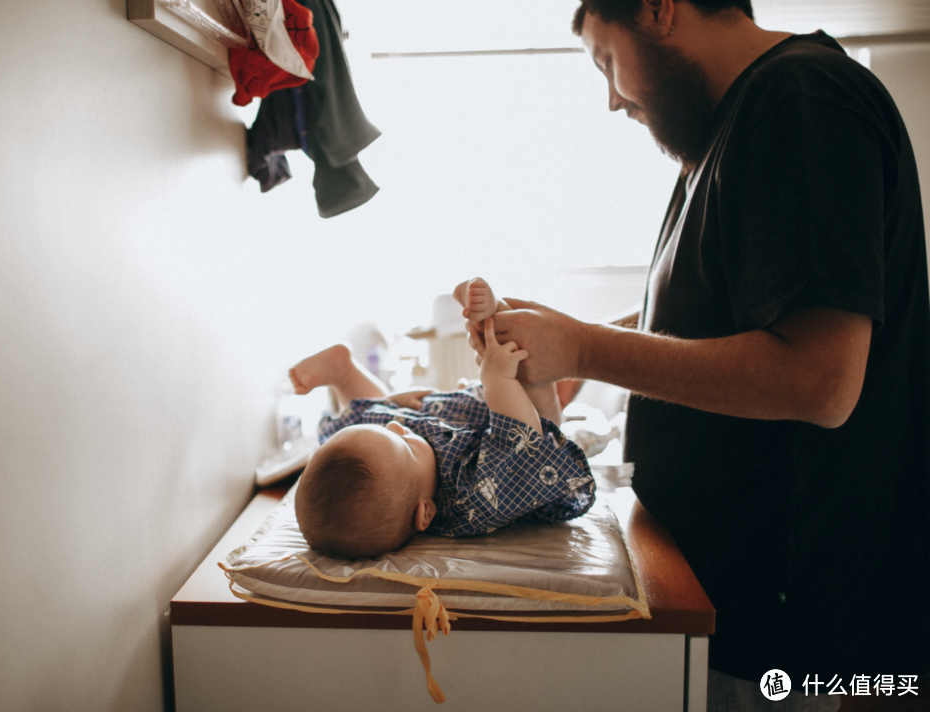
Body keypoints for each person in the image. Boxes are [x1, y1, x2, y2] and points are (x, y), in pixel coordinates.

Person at [470, 1, 929, 709]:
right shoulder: (733, 128)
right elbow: (708, 314)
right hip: (728, 599)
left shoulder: (800, 102)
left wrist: (587, 344)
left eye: (605, 61)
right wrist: (573, 351)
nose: (613, 98)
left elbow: (820, 380)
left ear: (659, 10)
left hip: (781, 627)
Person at [290, 278, 595, 559]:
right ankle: (499, 326)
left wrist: (393, 405)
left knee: (354, 436)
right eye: (403, 443)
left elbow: (386, 434)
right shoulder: (471, 499)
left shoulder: (404, 468)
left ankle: (344, 372)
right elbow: (522, 441)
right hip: (514, 420)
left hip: (451, 416)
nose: (397, 426)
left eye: (392, 428)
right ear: (425, 513)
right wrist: (498, 379)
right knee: (542, 405)